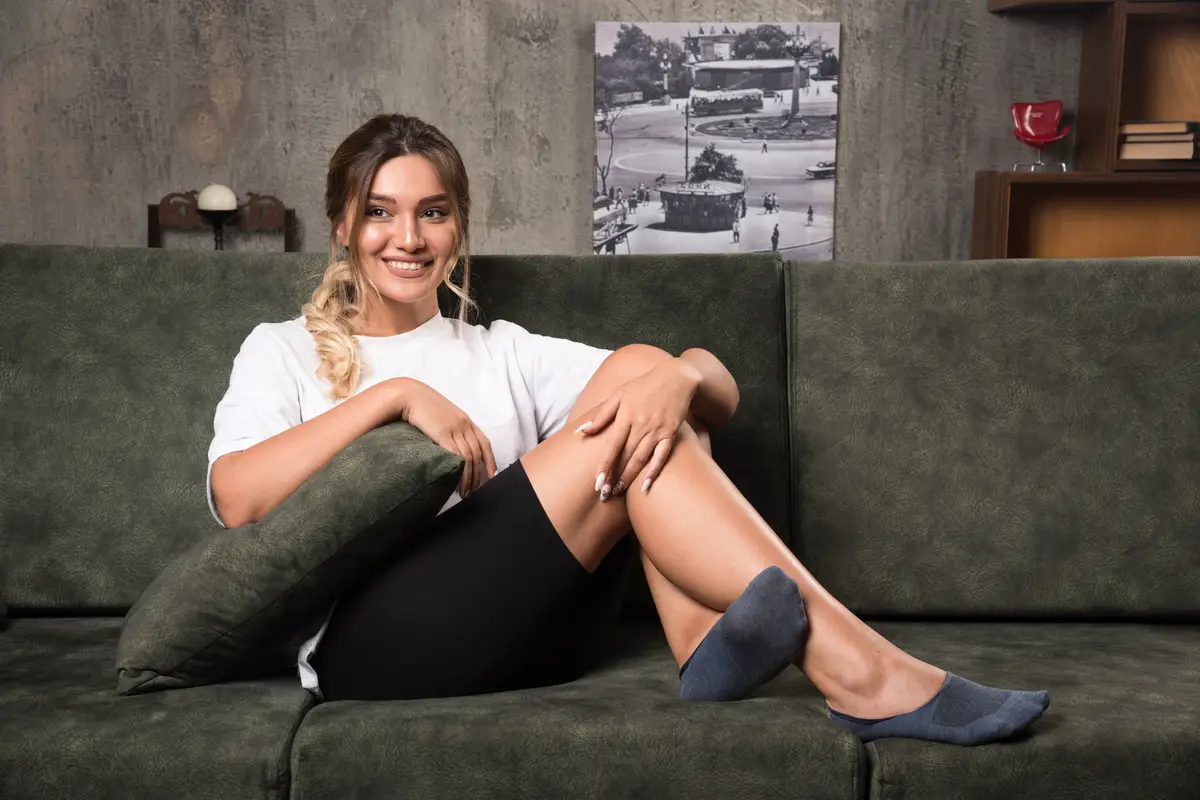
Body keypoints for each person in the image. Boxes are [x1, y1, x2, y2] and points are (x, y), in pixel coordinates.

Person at [207, 113, 1049, 746]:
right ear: (344, 227)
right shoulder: (282, 350)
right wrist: (389, 401)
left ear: (459, 226)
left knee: (647, 370)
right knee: (643, 387)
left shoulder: (502, 350)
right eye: (381, 213)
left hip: (537, 633)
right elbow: (238, 499)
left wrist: (680, 376)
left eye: (432, 212)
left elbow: (714, 391)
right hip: (375, 647)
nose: (408, 238)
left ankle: (700, 641)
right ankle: (862, 672)